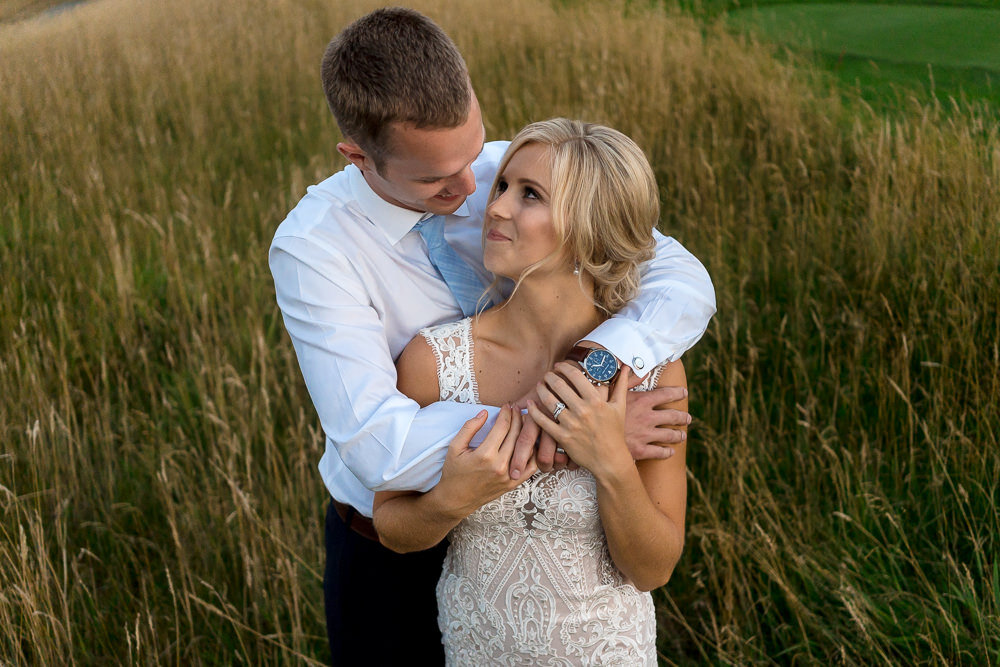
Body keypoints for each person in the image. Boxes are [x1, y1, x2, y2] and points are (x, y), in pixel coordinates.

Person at [268, 8, 714, 665]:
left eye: (479, 156)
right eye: (435, 179)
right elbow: (375, 444)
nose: (478, 193)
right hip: (391, 551)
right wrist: (572, 429)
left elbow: (675, 272)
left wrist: (601, 368)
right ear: (358, 157)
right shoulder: (315, 249)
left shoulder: (502, 168)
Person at [372, 118, 688, 665]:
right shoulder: (433, 363)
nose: (495, 208)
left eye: (530, 195)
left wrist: (609, 457)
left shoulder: (651, 373)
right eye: (502, 187)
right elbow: (394, 530)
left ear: (590, 228)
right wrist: (453, 497)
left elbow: (652, 570)